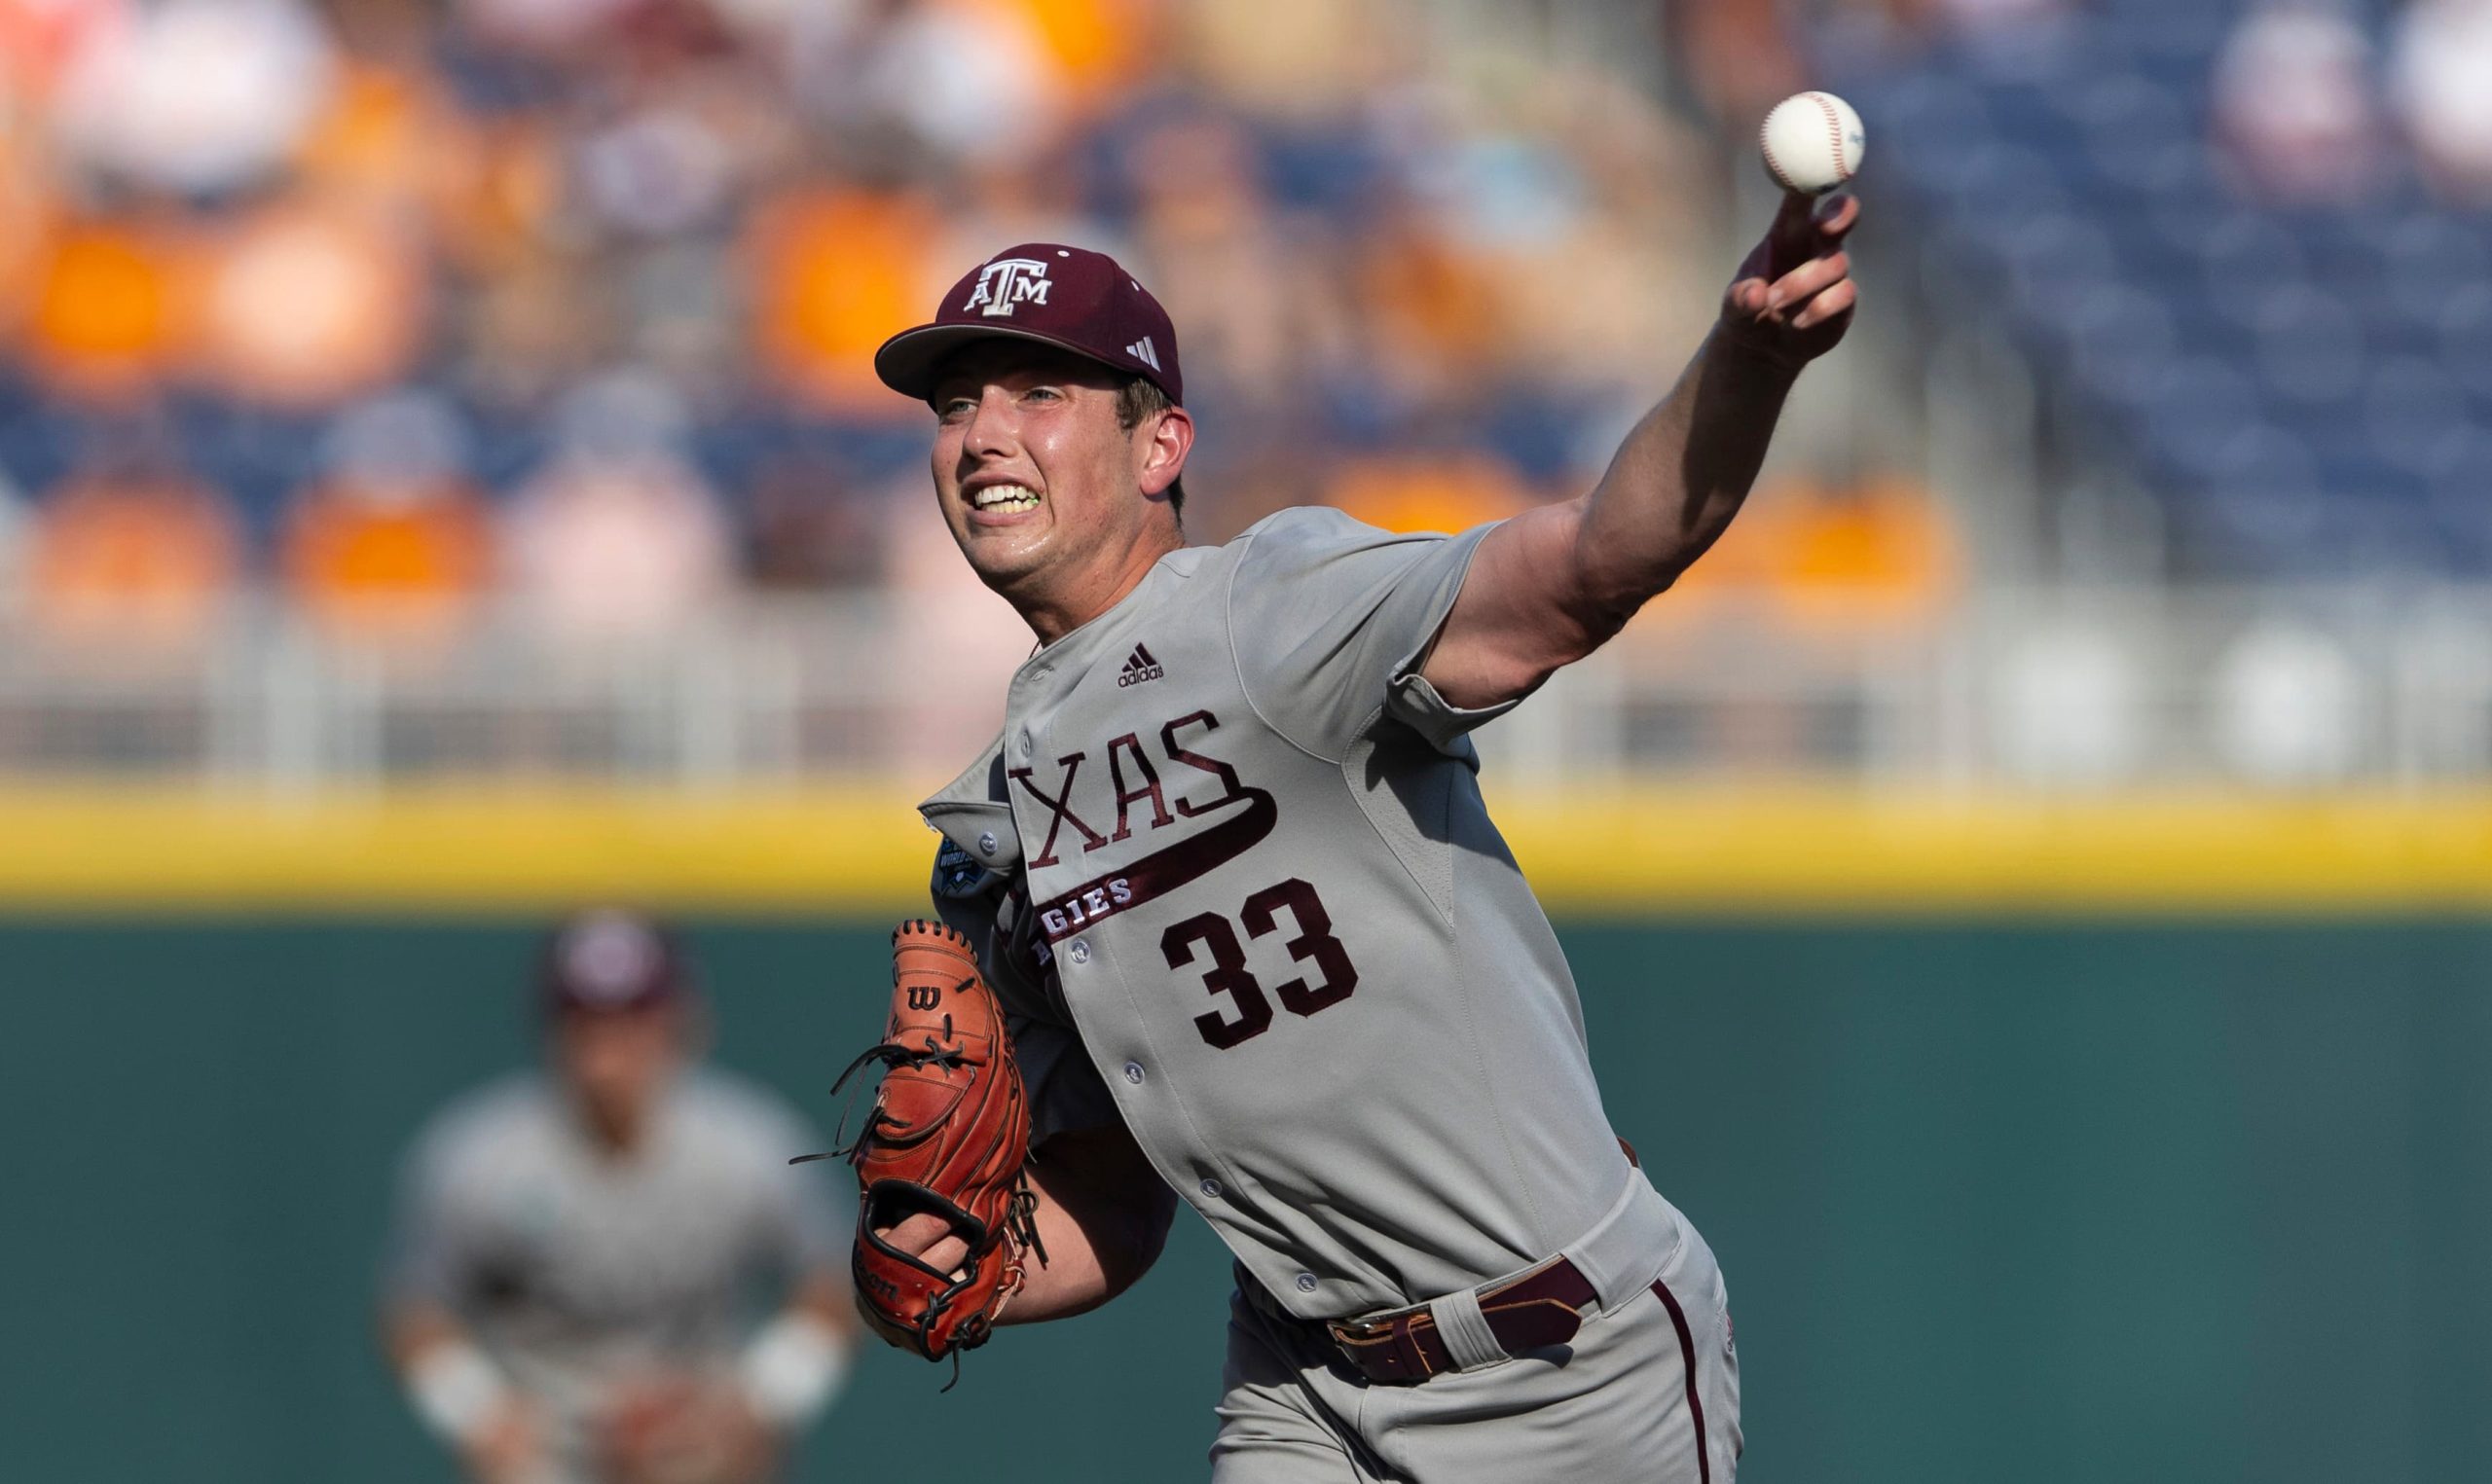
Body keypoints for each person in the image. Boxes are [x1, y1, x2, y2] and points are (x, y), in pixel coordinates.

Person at [865, 188, 1858, 1482]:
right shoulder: (994, 831)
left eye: (1037, 392)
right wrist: (966, 1262)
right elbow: (1115, 1194)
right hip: (1303, 1379)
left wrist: (1751, 361)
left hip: (1561, 1361)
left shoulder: (1268, 612)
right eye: (955, 404)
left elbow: (1595, 564)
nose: (984, 432)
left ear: (1160, 446)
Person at [381, 908, 856, 1484]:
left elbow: (834, 1282)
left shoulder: (746, 1148)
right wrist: (476, 1411)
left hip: (694, 1438)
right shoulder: (482, 1156)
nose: (607, 1051)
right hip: (549, 1442)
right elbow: (416, 1310)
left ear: (682, 1022)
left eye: (632, 1016)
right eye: (584, 1019)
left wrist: (762, 1398)